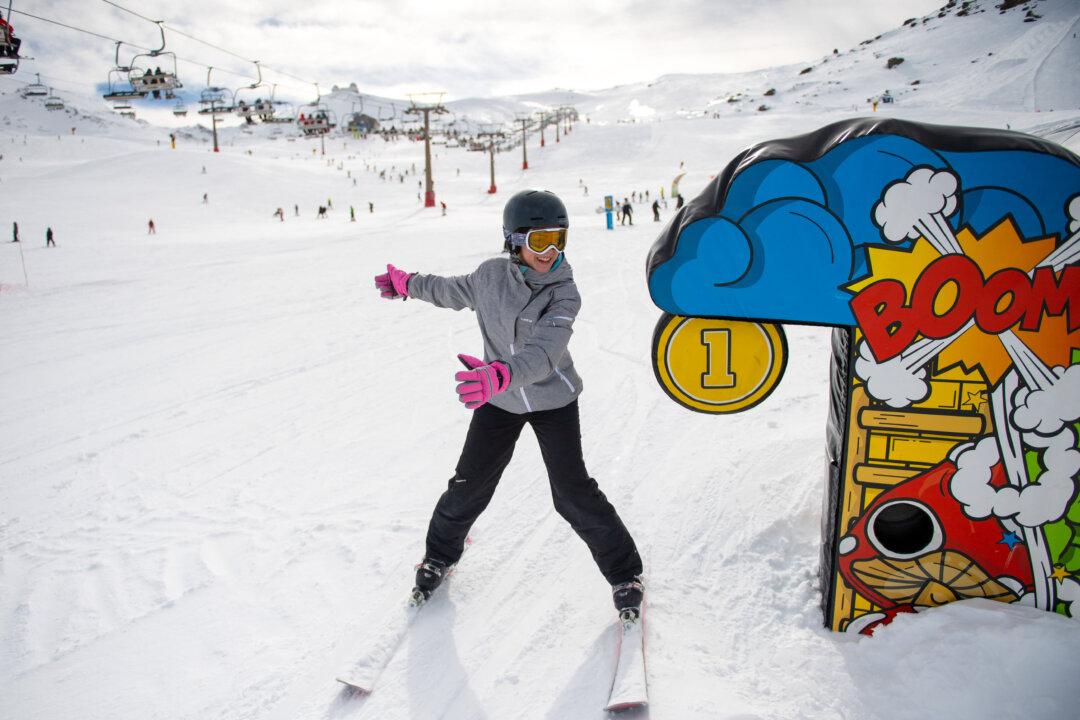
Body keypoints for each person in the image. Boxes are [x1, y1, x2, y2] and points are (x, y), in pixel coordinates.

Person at [372, 189, 645, 615]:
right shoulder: (489, 277)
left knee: (572, 494)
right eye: (540, 241)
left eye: (560, 239)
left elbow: (542, 356)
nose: (551, 251)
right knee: (468, 486)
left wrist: (498, 373)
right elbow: (449, 290)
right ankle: (440, 555)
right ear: (514, 240)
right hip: (498, 401)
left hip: (552, 400)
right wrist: (408, 284)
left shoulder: (565, 293)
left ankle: (625, 572)